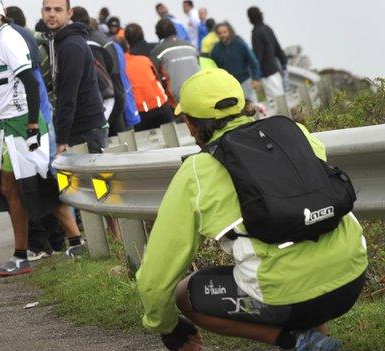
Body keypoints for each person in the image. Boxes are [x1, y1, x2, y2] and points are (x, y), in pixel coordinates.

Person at [136, 68, 367, 351]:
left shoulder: (196, 171)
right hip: (353, 276)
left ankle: (293, 341)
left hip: (288, 296)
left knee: (186, 294)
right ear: (244, 105)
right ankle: (315, 343)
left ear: (191, 124)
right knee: (300, 250)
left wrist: (167, 326)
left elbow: (155, 277)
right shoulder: (296, 132)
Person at [0, 0, 84, 276]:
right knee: (11, 189)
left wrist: (33, 124)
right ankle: (22, 253)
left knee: (39, 186)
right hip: (11, 127)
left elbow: (31, 83)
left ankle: (75, 240)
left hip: (24, 127)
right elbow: (9, 85)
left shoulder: (8, 39)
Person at [42, 0, 109, 154]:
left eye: (58, 10)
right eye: (48, 9)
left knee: (89, 178)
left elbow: (68, 96)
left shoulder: (71, 46)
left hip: (86, 131)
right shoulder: (60, 41)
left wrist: (62, 139)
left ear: (69, 13)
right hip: (81, 128)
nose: (52, 14)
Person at [71, 6, 127, 136]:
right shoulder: (100, 37)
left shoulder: (89, 44)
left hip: (107, 102)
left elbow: (101, 82)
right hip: (117, 95)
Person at [124, 25, 173, 131]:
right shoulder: (153, 51)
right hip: (162, 105)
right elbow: (162, 78)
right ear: (143, 34)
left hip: (141, 111)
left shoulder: (123, 62)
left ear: (127, 41)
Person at [151, 18, 199, 105]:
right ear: (175, 30)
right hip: (200, 92)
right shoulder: (191, 46)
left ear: (157, 34)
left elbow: (153, 76)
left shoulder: (157, 51)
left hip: (177, 100)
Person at [211, 22, 261, 104]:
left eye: (224, 32)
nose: (223, 35)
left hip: (245, 80)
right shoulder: (215, 50)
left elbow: (253, 62)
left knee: (252, 105)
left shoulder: (239, 43)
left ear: (229, 31)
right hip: (229, 85)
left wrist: (256, 78)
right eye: (220, 33)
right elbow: (216, 70)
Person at [247, 6, 288, 101]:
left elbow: (258, 55)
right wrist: (284, 61)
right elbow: (277, 47)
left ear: (250, 19)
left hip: (267, 73)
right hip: (275, 70)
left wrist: (256, 74)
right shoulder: (267, 28)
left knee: (275, 101)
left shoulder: (256, 33)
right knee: (282, 99)